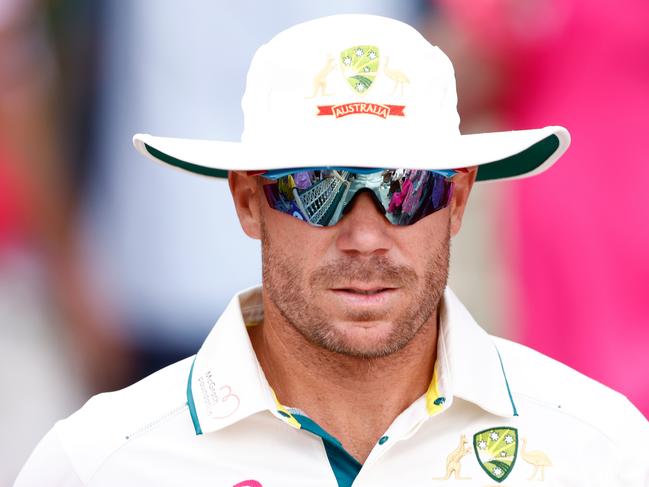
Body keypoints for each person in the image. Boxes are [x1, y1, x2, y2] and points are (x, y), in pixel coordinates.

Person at [14, 14, 648, 487]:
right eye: (317, 188)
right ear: (247, 202)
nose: (366, 237)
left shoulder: (605, 453)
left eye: (405, 188)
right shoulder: (97, 467)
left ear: (456, 201)